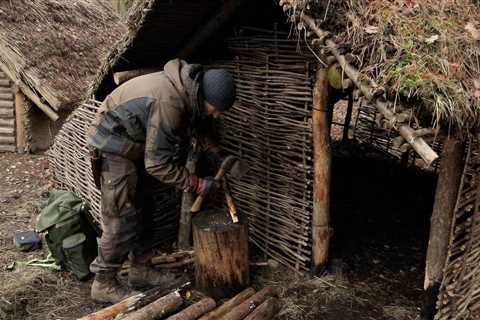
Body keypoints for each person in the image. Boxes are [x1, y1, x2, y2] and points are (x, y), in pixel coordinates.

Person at [87, 58, 236, 303]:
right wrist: (197, 184)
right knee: (122, 218)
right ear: (204, 97)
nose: (217, 116)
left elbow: (196, 124)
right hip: (112, 145)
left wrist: (213, 152)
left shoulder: (188, 90)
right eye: (216, 109)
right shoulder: (169, 101)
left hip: (135, 143)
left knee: (146, 209)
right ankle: (103, 282)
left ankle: (140, 270)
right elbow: (157, 164)